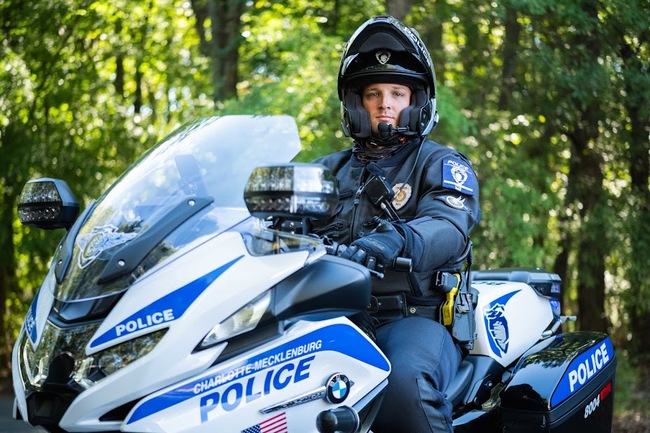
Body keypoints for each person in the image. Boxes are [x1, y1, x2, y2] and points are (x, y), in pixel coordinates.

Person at [311, 15, 482, 433]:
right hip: (333, 317)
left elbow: (448, 224)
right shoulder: (324, 172)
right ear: (356, 104)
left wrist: (395, 239)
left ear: (417, 102)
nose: (384, 103)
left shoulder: (440, 163)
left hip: (413, 319)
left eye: (397, 93)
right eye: (373, 93)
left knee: (403, 382)